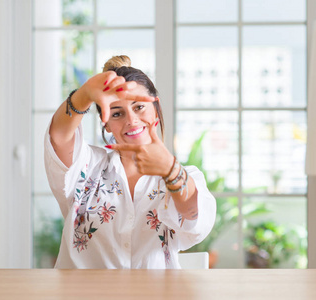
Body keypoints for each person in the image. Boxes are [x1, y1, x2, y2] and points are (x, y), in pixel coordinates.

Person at [44, 55, 216, 269]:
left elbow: (193, 216)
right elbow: (59, 137)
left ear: (156, 107)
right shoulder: (87, 166)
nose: (131, 120)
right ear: (106, 124)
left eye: (139, 107)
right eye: (117, 113)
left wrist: (171, 171)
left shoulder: (187, 174)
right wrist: (84, 95)